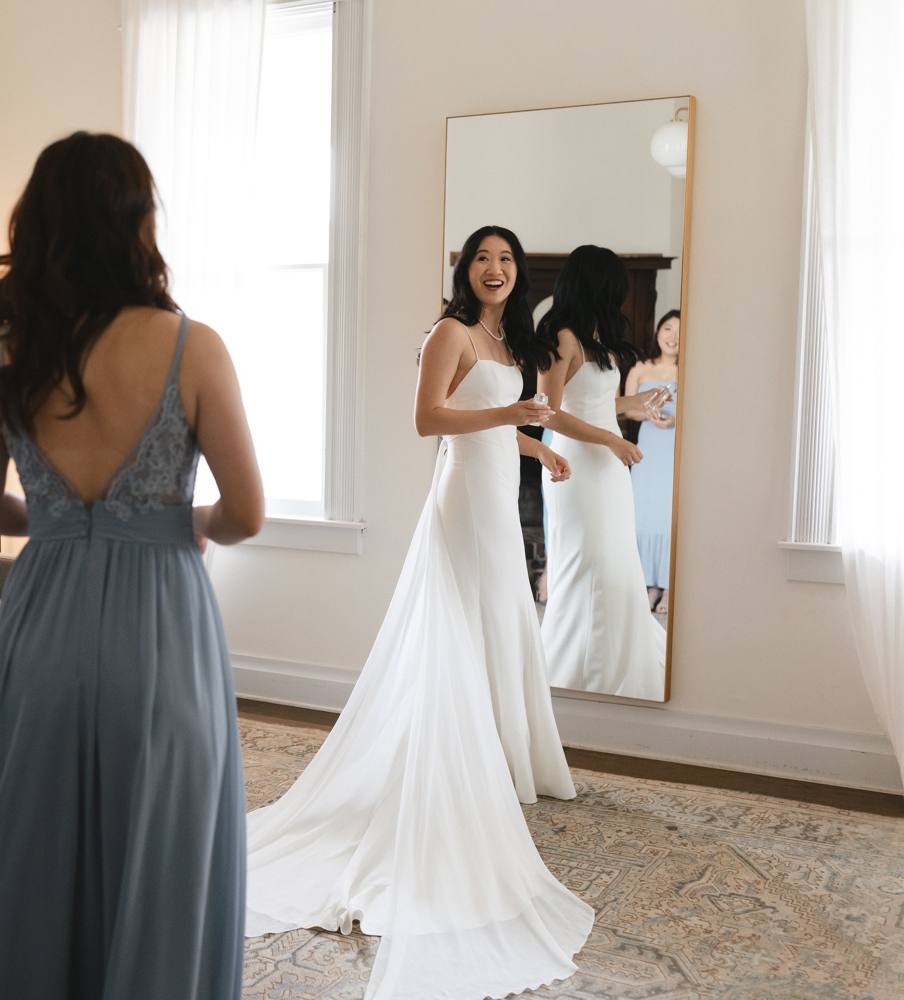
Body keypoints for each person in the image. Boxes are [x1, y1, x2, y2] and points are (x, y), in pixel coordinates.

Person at [0, 132, 265, 1000]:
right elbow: (246, 512)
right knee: (163, 843)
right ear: (137, 222)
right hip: (159, 618)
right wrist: (175, 522)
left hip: (45, 614)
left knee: (36, 843)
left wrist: (59, 519)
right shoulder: (193, 346)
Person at [245, 226, 593, 1000]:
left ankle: (508, 762)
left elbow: (505, 423)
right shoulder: (451, 333)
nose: (494, 269)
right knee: (465, 627)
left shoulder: (508, 345)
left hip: (498, 496)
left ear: (517, 273)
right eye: (482, 258)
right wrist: (518, 423)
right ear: (464, 270)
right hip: (463, 502)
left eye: (505, 260)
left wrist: (541, 448)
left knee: (502, 619)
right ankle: (459, 762)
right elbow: (430, 421)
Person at [532, 245, 668, 701]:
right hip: (579, 468)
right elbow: (546, 414)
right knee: (586, 564)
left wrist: (633, 407)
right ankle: (571, 671)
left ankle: (615, 665)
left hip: (609, 472)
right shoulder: (560, 337)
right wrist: (612, 439)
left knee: (614, 562)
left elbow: (591, 404)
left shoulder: (594, 336)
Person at [625, 309, 679, 612]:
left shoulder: (690, 369)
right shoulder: (641, 368)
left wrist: (674, 422)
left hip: (674, 447)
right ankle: (649, 583)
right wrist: (647, 413)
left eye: (681, 332)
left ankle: (671, 587)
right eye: (668, 328)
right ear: (658, 332)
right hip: (648, 446)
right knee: (643, 514)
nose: (673, 337)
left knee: (669, 516)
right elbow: (627, 409)